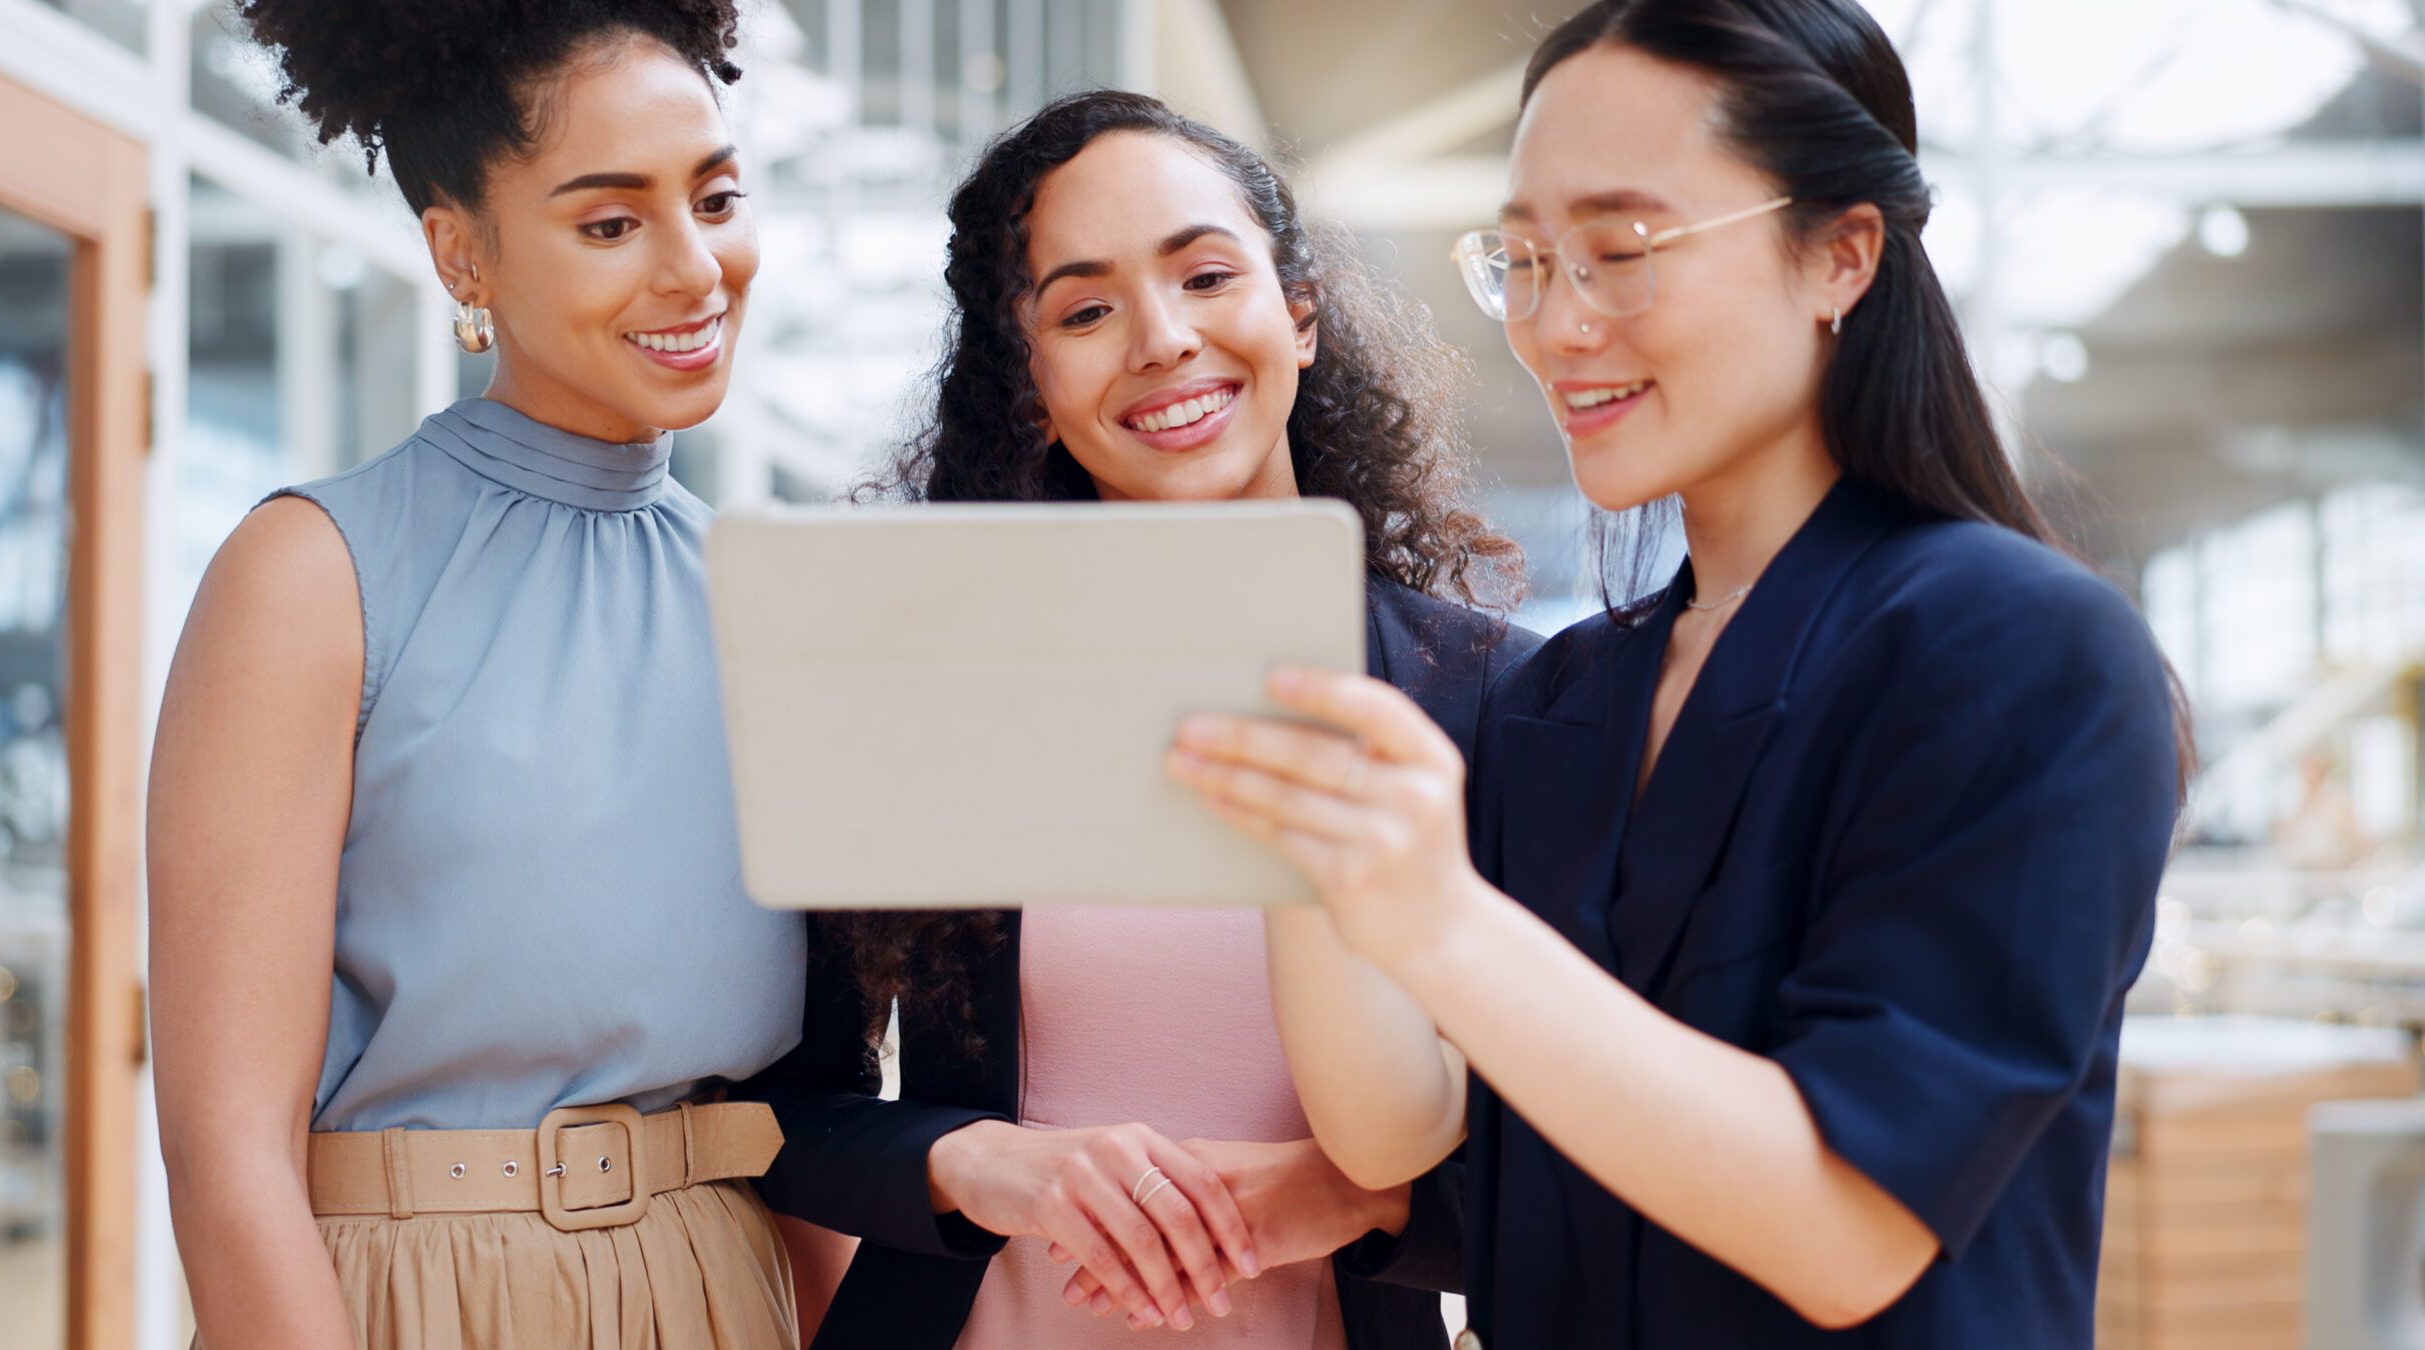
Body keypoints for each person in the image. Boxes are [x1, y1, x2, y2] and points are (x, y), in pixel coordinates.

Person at [1163, 2, 2190, 1346]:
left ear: (1840, 254)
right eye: (1524, 258)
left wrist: (1432, 916)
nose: (1555, 324)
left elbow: (1844, 1221)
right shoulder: (1559, 700)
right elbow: (1596, 1151)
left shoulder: (2021, 653)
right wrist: (1375, 1201)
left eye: (1621, 249)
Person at [738, 91, 1535, 1350]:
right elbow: (783, 1113)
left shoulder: (1492, 695)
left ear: (1301, 314)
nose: (1161, 340)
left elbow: (1563, 1166)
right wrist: (981, 1164)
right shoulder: (924, 693)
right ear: (1033, 388)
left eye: (1207, 275)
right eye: (1085, 309)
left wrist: (1351, 1196)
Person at [147, 3, 802, 1346]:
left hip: (729, 1290)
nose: (696, 268)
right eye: (611, 223)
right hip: (415, 1300)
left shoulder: (773, 598)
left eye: (718, 197)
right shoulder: (312, 574)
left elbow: (817, 1106)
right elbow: (230, 1155)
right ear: (463, 251)